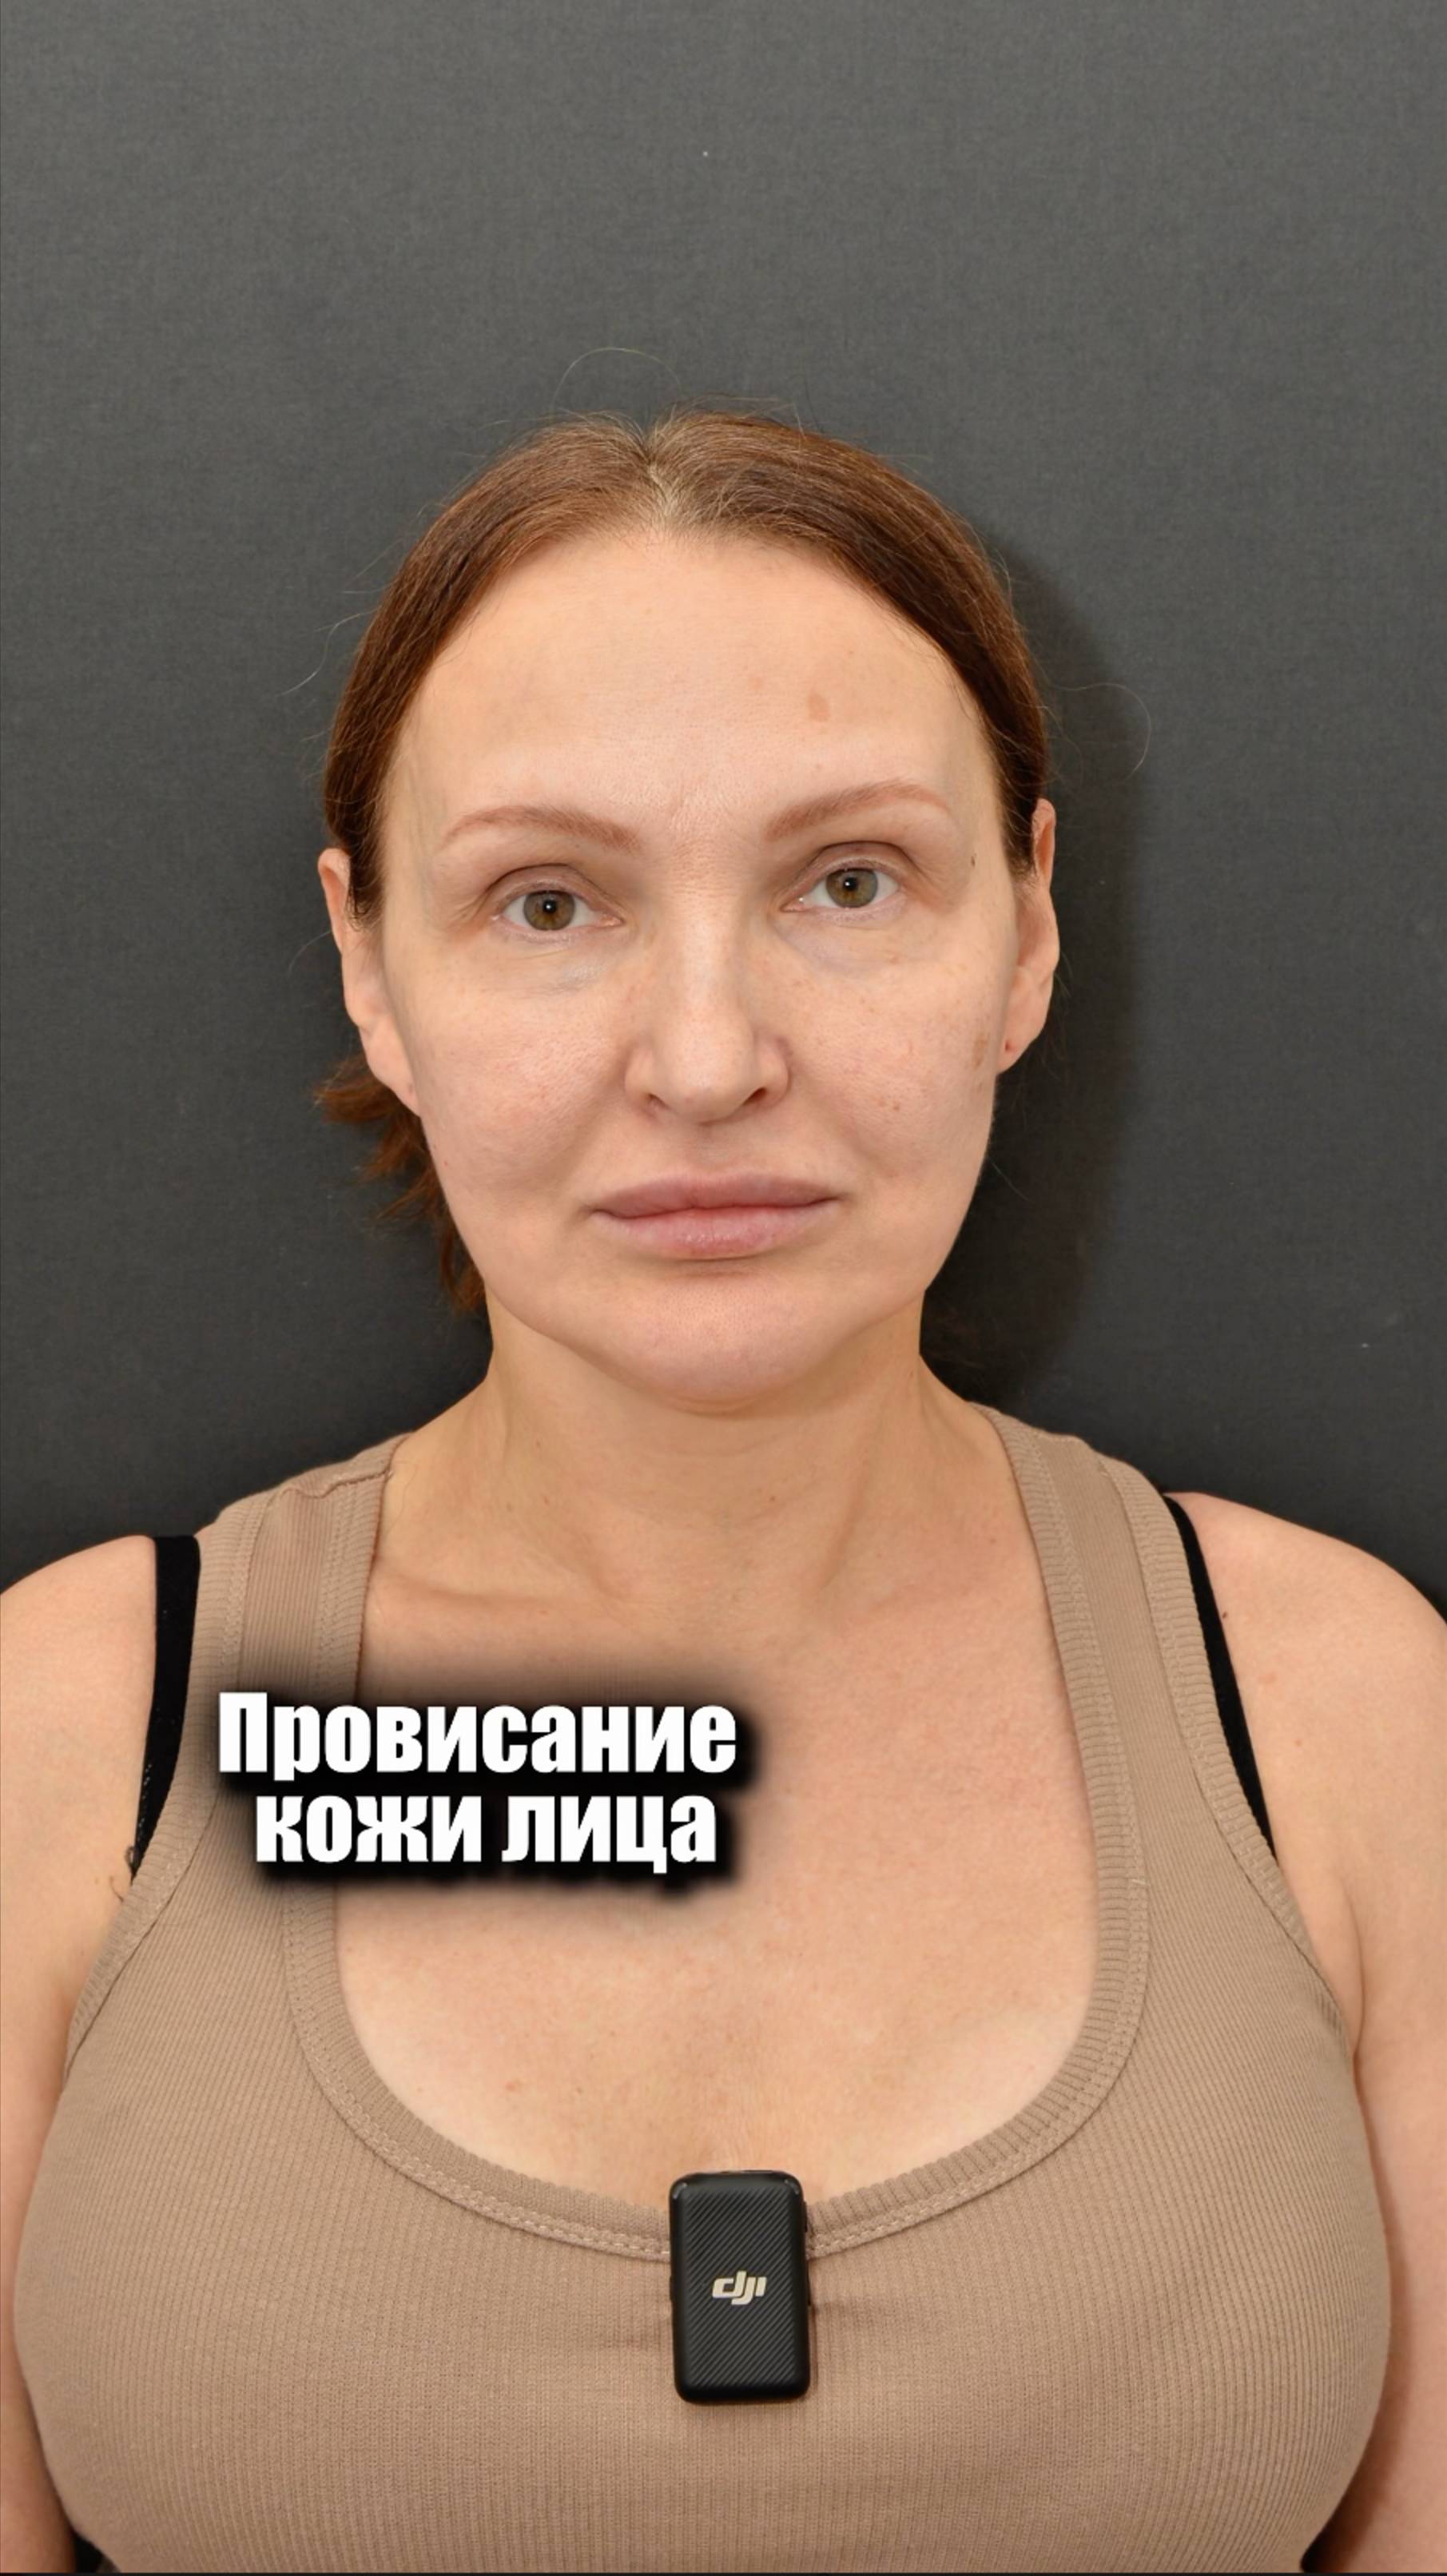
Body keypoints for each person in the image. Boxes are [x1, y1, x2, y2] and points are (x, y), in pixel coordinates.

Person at [2, 406, 1441, 2576]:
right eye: (548, 902)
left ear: (1027, 932)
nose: (704, 1060)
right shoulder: (67, 1735)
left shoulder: (1340, 1710)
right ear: (372, 964)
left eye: (848, 882)